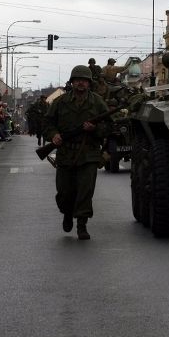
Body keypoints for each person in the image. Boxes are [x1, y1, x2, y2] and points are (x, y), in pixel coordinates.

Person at [43, 65, 110, 240]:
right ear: (72, 82)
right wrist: (54, 135)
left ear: (89, 83)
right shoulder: (60, 102)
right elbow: (48, 123)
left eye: (84, 80)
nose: (81, 83)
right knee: (64, 191)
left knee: (85, 190)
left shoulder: (97, 102)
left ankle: (82, 224)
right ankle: (67, 213)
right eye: (77, 80)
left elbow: (109, 126)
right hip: (65, 153)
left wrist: (94, 129)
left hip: (88, 153)